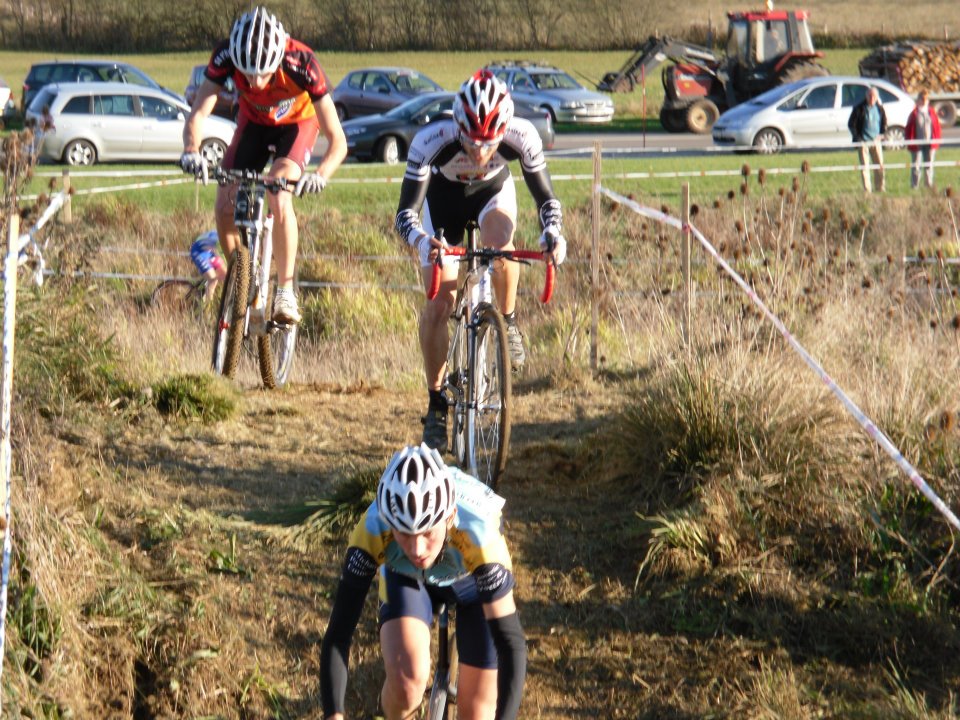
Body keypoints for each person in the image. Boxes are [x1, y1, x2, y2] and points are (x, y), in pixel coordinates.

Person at [394, 69, 567, 453]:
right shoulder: (431, 140)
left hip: (492, 195)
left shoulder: (521, 135)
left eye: (488, 144)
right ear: (457, 126)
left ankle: (506, 321)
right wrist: (423, 243)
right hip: (443, 205)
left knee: (500, 247)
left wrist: (553, 232)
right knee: (439, 305)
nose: (479, 152)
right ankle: (437, 402)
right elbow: (404, 214)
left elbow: (546, 200)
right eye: (471, 143)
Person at [319, 444, 527, 720]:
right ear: (388, 521)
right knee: (407, 684)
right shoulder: (372, 529)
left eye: (428, 532)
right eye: (404, 533)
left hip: (471, 584)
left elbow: (510, 642)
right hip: (405, 578)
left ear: (450, 517)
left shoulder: (481, 537)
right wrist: (334, 714)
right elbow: (338, 634)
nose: (417, 549)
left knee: (478, 712)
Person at [180, 5, 347, 325]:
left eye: (264, 74)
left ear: (279, 60)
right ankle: (241, 281)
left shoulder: (303, 63)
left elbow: (337, 140)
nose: (255, 82)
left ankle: (285, 290)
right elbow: (198, 113)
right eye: (248, 75)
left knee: (277, 188)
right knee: (224, 200)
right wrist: (192, 151)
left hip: (296, 126)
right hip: (253, 125)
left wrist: (321, 174)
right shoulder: (225, 55)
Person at [847, 86, 887, 193]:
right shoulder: (859, 108)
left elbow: (884, 123)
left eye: (874, 96)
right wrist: (858, 138)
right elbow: (851, 124)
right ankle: (867, 189)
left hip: (876, 141)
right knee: (865, 167)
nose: (872, 98)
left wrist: (882, 134)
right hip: (863, 141)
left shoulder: (880, 108)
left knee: (880, 165)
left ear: (877, 97)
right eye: (870, 95)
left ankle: (880, 188)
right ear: (866, 96)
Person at [905, 89, 942, 189]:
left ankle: (928, 185)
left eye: (926, 99)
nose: (924, 100)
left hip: (930, 143)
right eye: (922, 98)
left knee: (929, 165)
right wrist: (910, 141)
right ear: (919, 99)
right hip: (917, 143)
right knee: (916, 165)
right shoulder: (914, 113)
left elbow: (937, 127)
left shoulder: (931, 112)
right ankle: (915, 185)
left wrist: (936, 140)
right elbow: (908, 129)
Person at [189, 230, 228, 301]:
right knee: (213, 279)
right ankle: (208, 306)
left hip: (210, 252)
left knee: (227, 276)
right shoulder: (222, 235)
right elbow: (221, 253)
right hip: (199, 252)